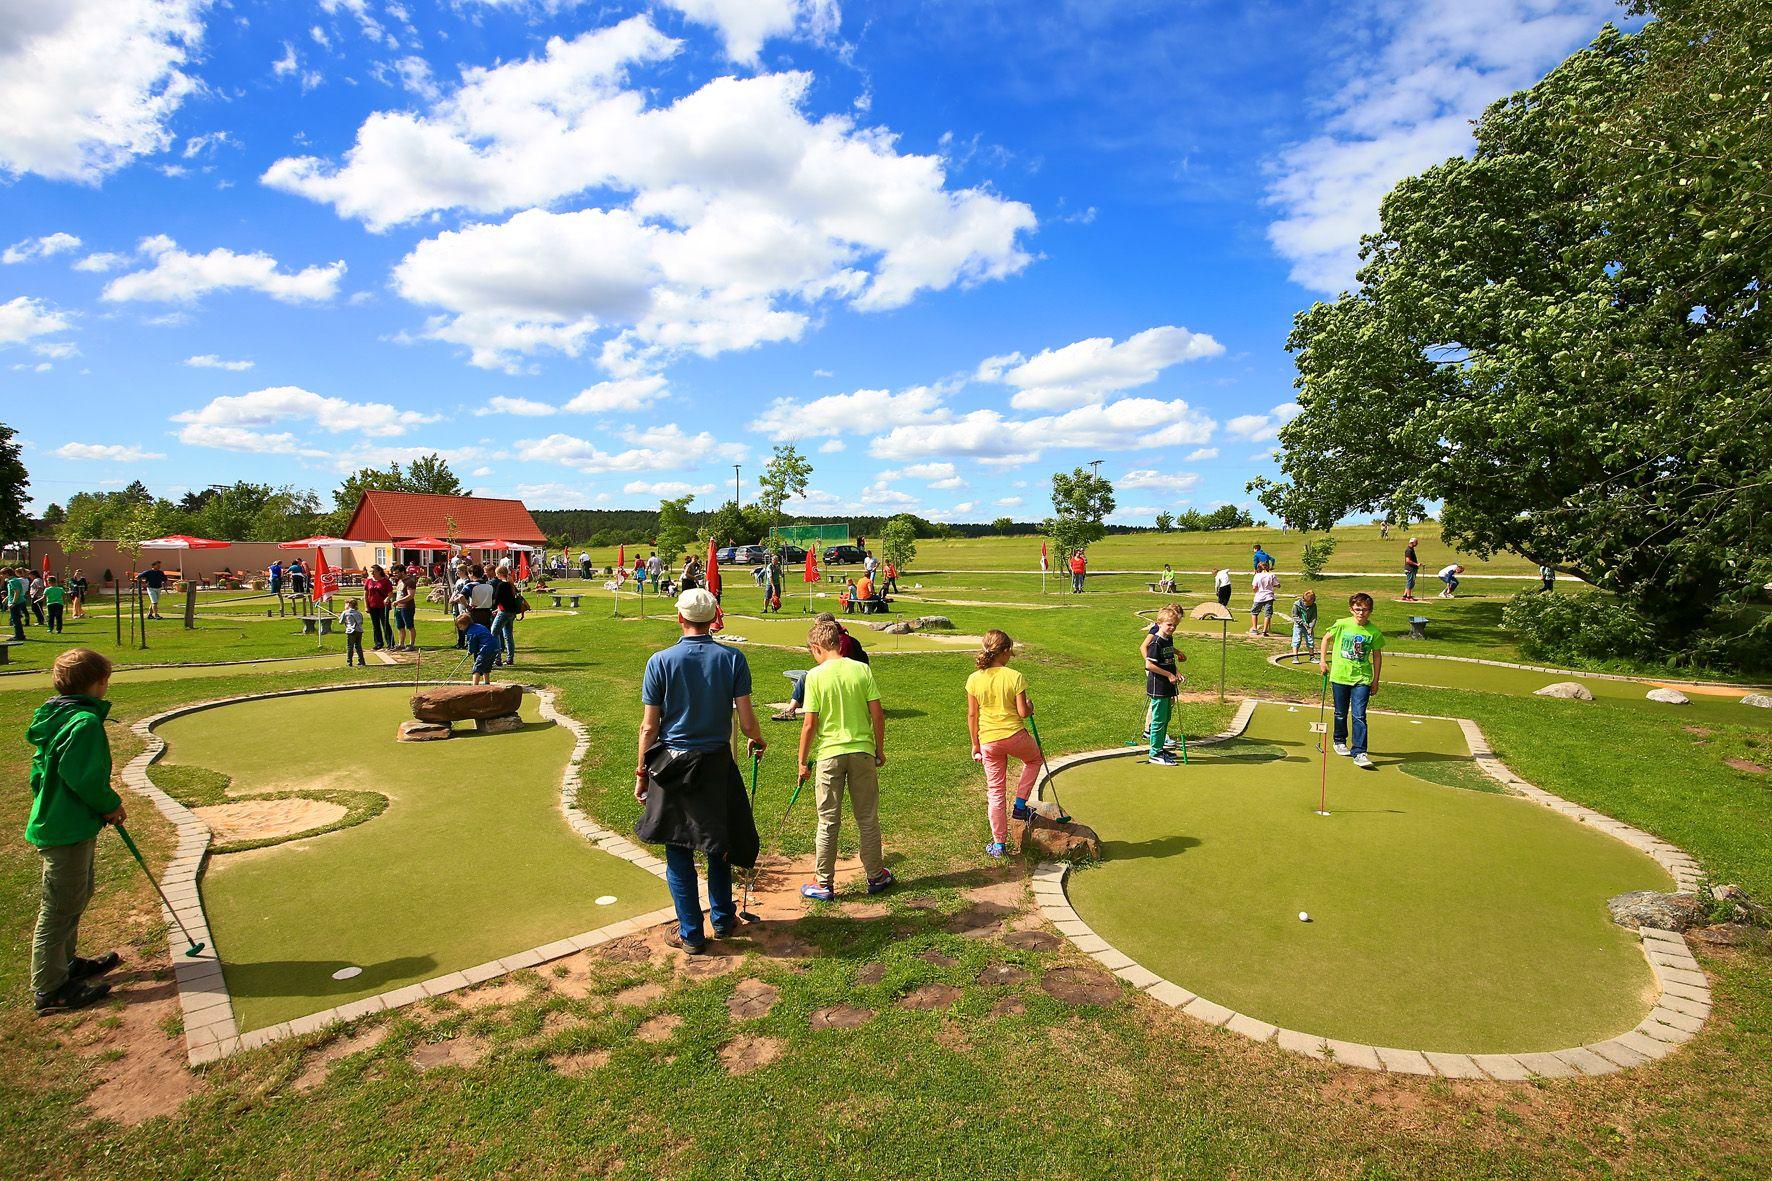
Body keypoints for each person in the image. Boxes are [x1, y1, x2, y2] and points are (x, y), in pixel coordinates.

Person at [634, 588, 764, 953]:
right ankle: (723, 920)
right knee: (717, 844)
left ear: (680, 617)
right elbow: (746, 717)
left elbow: (649, 727)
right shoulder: (732, 658)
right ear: (713, 620)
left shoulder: (660, 661)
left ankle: (691, 933)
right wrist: (757, 739)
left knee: (678, 848)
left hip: (672, 765)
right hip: (715, 763)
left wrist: (642, 772)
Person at [26, 648, 125, 1014]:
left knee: (76, 895)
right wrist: (110, 804)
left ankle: (66, 964)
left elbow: (41, 771)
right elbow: (84, 778)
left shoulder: (56, 713)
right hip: (66, 826)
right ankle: (50, 988)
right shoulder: (83, 723)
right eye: (106, 680)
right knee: (58, 907)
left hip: (66, 820)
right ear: (99, 683)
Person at [797, 618, 892, 901]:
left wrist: (802, 761)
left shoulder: (814, 676)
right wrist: (879, 748)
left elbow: (809, 724)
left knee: (828, 821)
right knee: (867, 818)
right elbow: (877, 713)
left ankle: (823, 882)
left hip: (829, 755)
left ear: (817, 648)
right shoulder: (862, 669)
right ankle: (875, 875)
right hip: (862, 751)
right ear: (839, 643)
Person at [966, 629, 1038, 858]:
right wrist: (1030, 706)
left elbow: (972, 715)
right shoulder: (1014, 676)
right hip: (1014, 735)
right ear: (1005, 652)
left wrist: (974, 744)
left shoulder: (974, 679)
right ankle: (1020, 806)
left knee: (995, 792)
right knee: (1035, 759)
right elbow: (1023, 712)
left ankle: (999, 845)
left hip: (989, 740)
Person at [1319, 592, 1384, 770]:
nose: (1361, 613)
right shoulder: (1342, 624)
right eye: (1357, 609)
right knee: (1340, 712)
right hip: (1340, 675)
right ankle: (1339, 740)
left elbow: (1377, 656)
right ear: (1351, 609)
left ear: (1370, 611)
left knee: (1359, 715)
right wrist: (1323, 660)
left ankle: (1360, 752)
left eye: (1365, 610)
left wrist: (1376, 680)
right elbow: (1326, 639)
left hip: (1362, 677)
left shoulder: (1374, 632)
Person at [775, 613, 867, 721]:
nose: (814, 628)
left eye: (816, 625)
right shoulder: (836, 638)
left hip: (847, 675)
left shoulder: (841, 640)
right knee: (808, 676)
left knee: (806, 677)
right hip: (842, 673)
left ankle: (791, 710)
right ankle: (792, 709)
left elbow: (840, 664)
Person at [1142, 606, 1186, 765]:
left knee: (1165, 717)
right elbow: (1150, 665)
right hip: (1158, 685)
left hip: (1168, 685)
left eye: (1175, 625)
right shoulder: (1156, 642)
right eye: (1169, 625)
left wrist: (1176, 672)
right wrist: (1168, 675)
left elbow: (1169, 660)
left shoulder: (1168, 639)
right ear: (1159, 624)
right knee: (1159, 719)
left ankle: (1160, 748)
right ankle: (1154, 753)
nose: (1172, 628)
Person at [456, 612, 496, 684]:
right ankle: (487, 683)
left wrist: (470, 651)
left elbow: (472, 643)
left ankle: (474, 687)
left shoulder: (471, 632)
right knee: (486, 667)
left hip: (485, 649)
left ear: (466, 624)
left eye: (460, 626)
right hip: (494, 648)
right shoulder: (478, 626)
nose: (460, 629)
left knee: (477, 668)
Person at [491, 567, 520, 667]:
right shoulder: (511, 584)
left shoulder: (501, 585)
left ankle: (497, 659)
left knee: (494, 633)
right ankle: (509, 659)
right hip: (511, 612)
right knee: (508, 636)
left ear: (499, 574)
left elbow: (497, 599)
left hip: (503, 612)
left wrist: (492, 607)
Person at [363, 564, 393, 651]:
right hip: (372, 606)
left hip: (383, 606)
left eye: (373, 571)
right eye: (371, 572)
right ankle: (378, 643)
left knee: (385, 624)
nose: (372, 573)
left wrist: (387, 598)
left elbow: (390, 593)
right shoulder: (368, 581)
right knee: (375, 625)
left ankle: (390, 643)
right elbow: (365, 594)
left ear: (379, 571)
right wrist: (366, 606)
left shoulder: (386, 581)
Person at [1249, 562, 1280, 636]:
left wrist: (1256, 591)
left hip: (1259, 597)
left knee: (1254, 612)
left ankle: (1254, 628)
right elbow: (1277, 585)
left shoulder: (1257, 576)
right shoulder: (1272, 575)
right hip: (1269, 596)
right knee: (1268, 614)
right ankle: (1264, 631)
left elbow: (1254, 587)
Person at [1289, 589, 1317, 662]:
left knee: (1310, 640)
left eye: (1312, 602)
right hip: (1298, 625)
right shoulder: (1296, 605)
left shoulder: (1313, 606)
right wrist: (1303, 623)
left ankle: (1312, 657)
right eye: (1306, 602)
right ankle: (1295, 657)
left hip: (1309, 626)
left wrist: (1311, 627)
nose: (1306, 604)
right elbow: (1294, 616)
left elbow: (1314, 617)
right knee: (1297, 640)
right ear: (1304, 600)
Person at [392, 574, 417, 651]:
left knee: (410, 626)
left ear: (402, 572)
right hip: (398, 607)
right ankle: (401, 644)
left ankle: (411, 644)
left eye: (396, 573)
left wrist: (399, 601)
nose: (395, 575)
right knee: (400, 626)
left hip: (407, 607)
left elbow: (410, 595)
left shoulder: (410, 582)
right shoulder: (399, 581)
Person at [340, 598, 365, 666]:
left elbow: (340, 622)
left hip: (351, 631)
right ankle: (362, 661)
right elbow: (361, 622)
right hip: (359, 630)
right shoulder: (359, 613)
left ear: (349, 605)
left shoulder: (345, 612)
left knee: (350, 647)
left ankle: (349, 662)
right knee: (358, 646)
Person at [5, 567, 26, 641]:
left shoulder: (12, 581)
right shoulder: (14, 580)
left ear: (7, 574)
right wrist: (6, 599)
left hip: (16, 603)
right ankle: (20, 635)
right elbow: (12, 592)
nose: (1, 576)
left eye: (2, 574)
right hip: (17, 602)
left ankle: (18, 636)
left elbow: (17, 592)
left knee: (16, 620)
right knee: (17, 620)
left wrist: (13, 602)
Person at [1402, 538, 1421, 602]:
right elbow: (1408, 561)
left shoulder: (1411, 549)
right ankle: (1409, 597)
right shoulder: (1409, 550)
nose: (1417, 543)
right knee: (1410, 582)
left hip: (1412, 568)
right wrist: (1416, 564)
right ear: (1412, 542)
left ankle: (1405, 596)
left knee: (1410, 582)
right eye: (1416, 542)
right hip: (1410, 569)